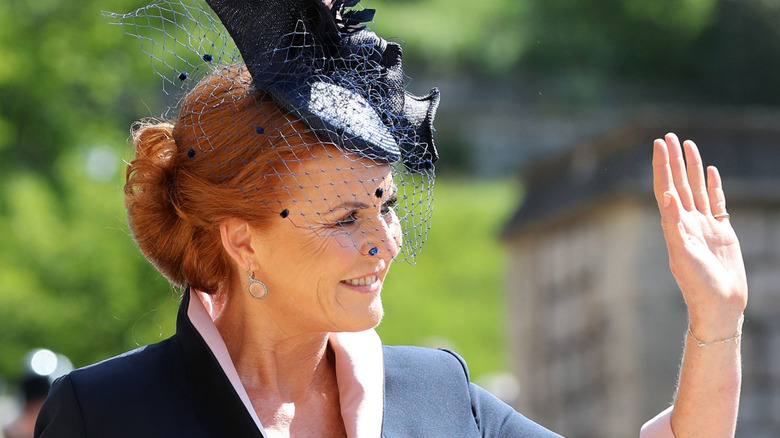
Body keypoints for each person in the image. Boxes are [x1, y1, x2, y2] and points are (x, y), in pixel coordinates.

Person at [35, 0, 746, 436]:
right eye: (346, 215)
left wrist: (716, 324)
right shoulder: (105, 415)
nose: (383, 242)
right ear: (243, 241)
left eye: (387, 204)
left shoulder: (439, 395)